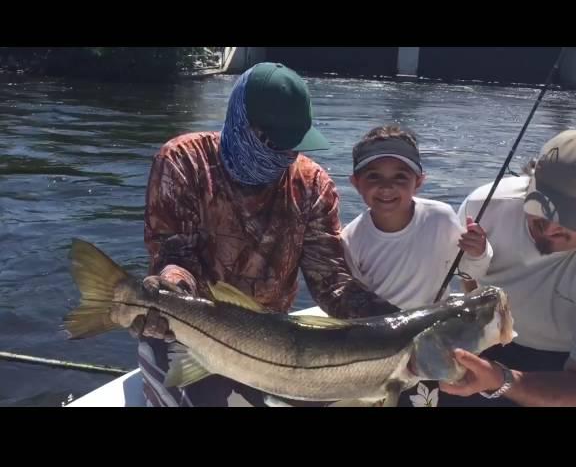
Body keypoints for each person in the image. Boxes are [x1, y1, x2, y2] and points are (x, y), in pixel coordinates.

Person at [132, 62, 402, 407]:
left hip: (273, 339)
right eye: (274, 143)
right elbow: (175, 255)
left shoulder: (313, 184)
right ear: (241, 123)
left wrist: (396, 324)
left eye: (294, 145)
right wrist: (171, 287)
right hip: (189, 328)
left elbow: (330, 282)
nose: (286, 155)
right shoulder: (184, 162)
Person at [438, 130, 576, 407]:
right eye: (541, 204)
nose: (549, 226)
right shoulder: (485, 205)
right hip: (497, 340)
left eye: (570, 215)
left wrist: (500, 380)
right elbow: (470, 278)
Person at [340, 125, 493, 407]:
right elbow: (353, 307)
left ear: (419, 181)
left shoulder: (440, 217)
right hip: (380, 350)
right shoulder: (350, 239)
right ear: (355, 182)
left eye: (400, 176)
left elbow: (470, 270)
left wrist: (479, 250)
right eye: (373, 176)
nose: (387, 187)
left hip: (434, 345)